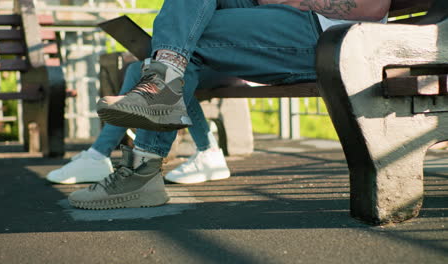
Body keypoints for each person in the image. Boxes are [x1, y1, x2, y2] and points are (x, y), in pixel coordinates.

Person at [68, 0, 390, 210]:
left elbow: (371, 7)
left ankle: (140, 168)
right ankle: (157, 97)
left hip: (329, 38)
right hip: (289, 23)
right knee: (176, 44)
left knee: (184, 40)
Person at [46, 62, 231, 185]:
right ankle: (98, 155)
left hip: (230, 63)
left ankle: (100, 156)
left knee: (172, 72)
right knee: (142, 68)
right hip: (207, 60)